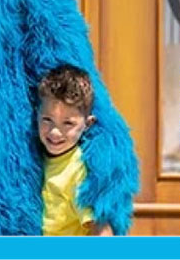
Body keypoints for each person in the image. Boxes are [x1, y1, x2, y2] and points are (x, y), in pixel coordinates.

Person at [38, 65, 114, 236]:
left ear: (88, 124)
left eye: (68, 123)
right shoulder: (35, 155)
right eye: (47, 119)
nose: (55, 132)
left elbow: (99, 225)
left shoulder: (78, 170)